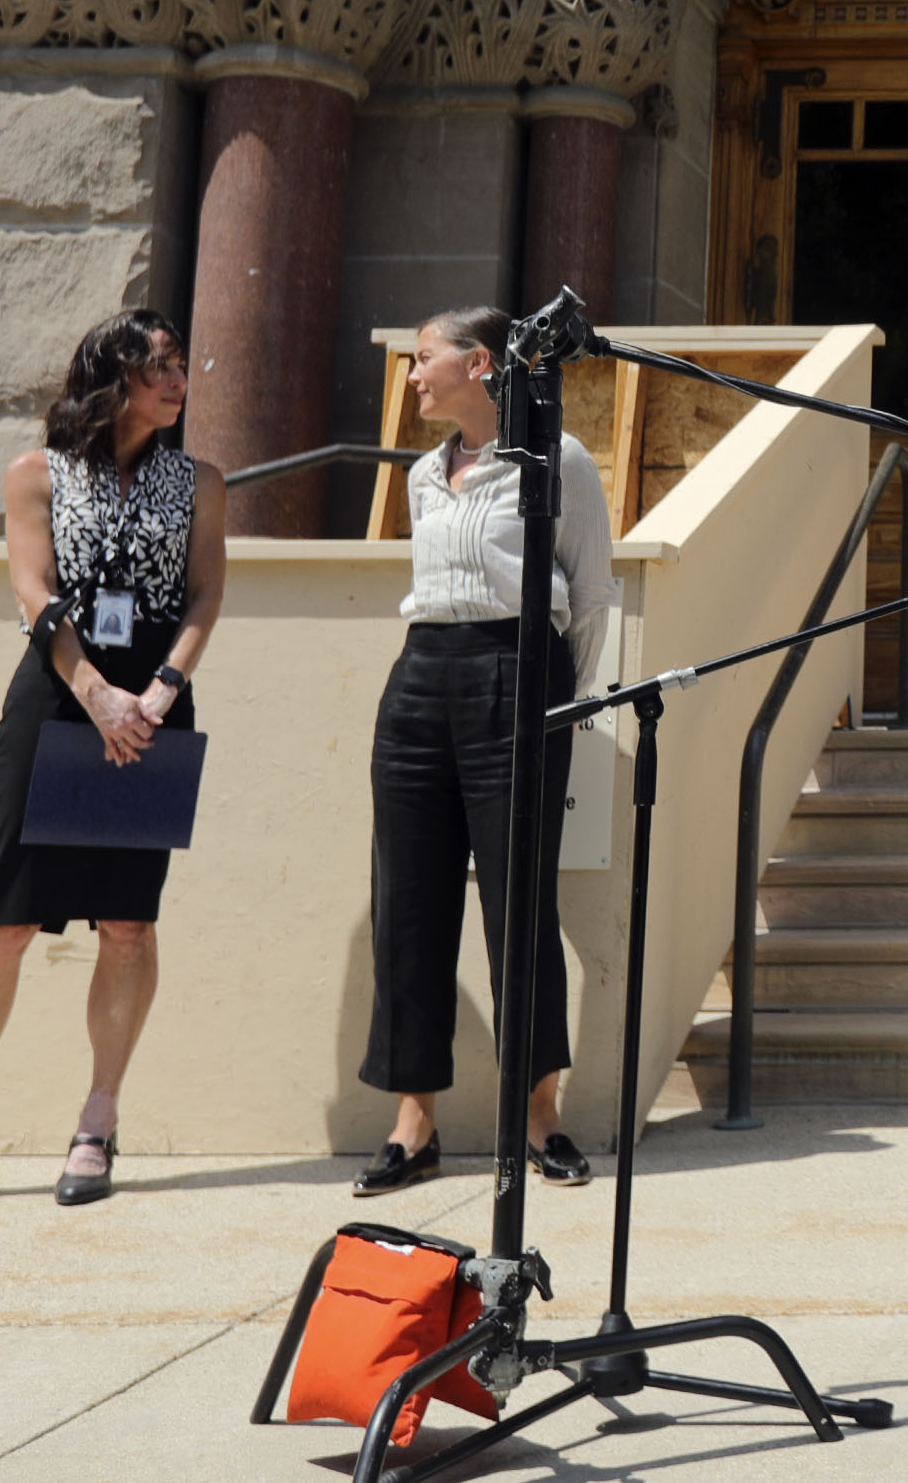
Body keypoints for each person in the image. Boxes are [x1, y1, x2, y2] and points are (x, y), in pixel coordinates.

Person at [0, 310, 228, 1214]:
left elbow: (207, 589)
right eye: (159, 368)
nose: (177, 382)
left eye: (180, 367)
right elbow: (33, 590)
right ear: (112, 378)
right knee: (6, 922)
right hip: (59, 696)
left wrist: (160, 694)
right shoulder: (37, 474)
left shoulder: (200, 480)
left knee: (128, 922)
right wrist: (97, 694)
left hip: (155, 701)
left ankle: (98, 1118)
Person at [353, 306, 617, 1197]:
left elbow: (588, 594)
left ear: (480, 363)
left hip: (518, 670)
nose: (413, 376)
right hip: (422, 674)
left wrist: (563, 694)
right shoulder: (427, 473)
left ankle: (537, 1117)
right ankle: (413, 1122)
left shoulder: (556, 462)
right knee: (408, 904)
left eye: (423, 359)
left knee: (519, 905)